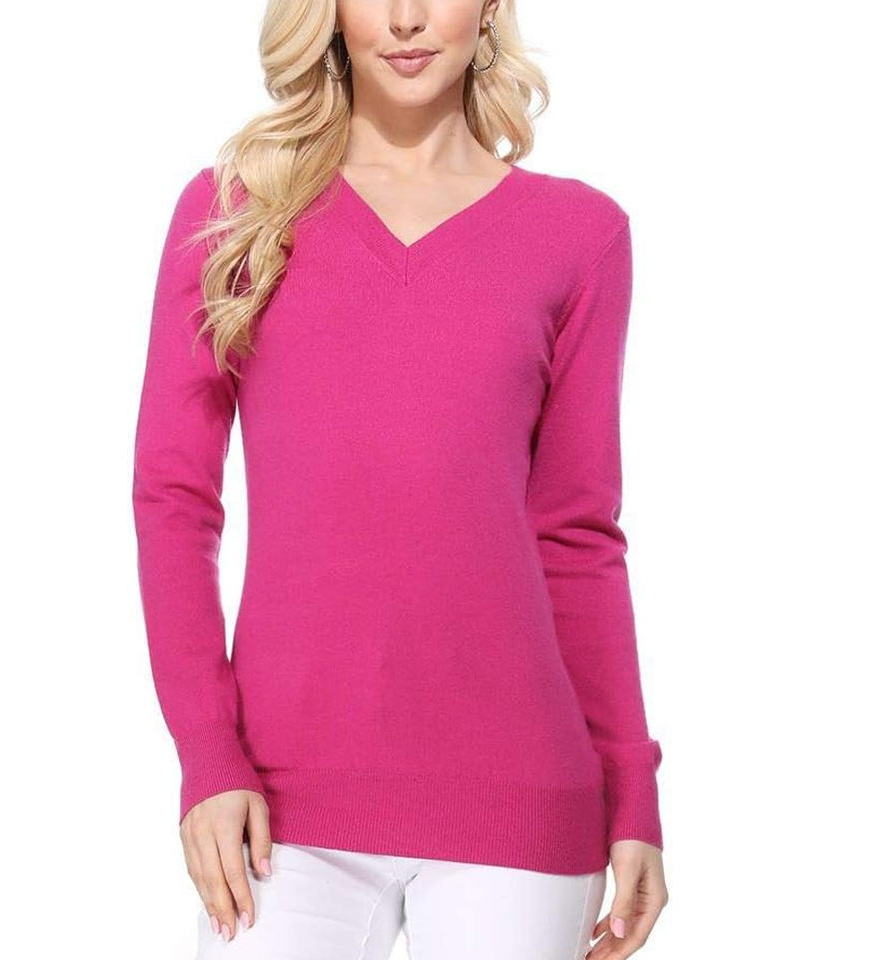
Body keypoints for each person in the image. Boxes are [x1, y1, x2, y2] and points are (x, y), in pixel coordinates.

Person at [132, 2, 668, 958]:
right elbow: (174, 497)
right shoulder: (237, 210)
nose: (408, 18)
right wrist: (207, 754)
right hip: (277, 806)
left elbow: (578, 533)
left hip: (522, 800)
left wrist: (633, 791)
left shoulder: (579, 234)